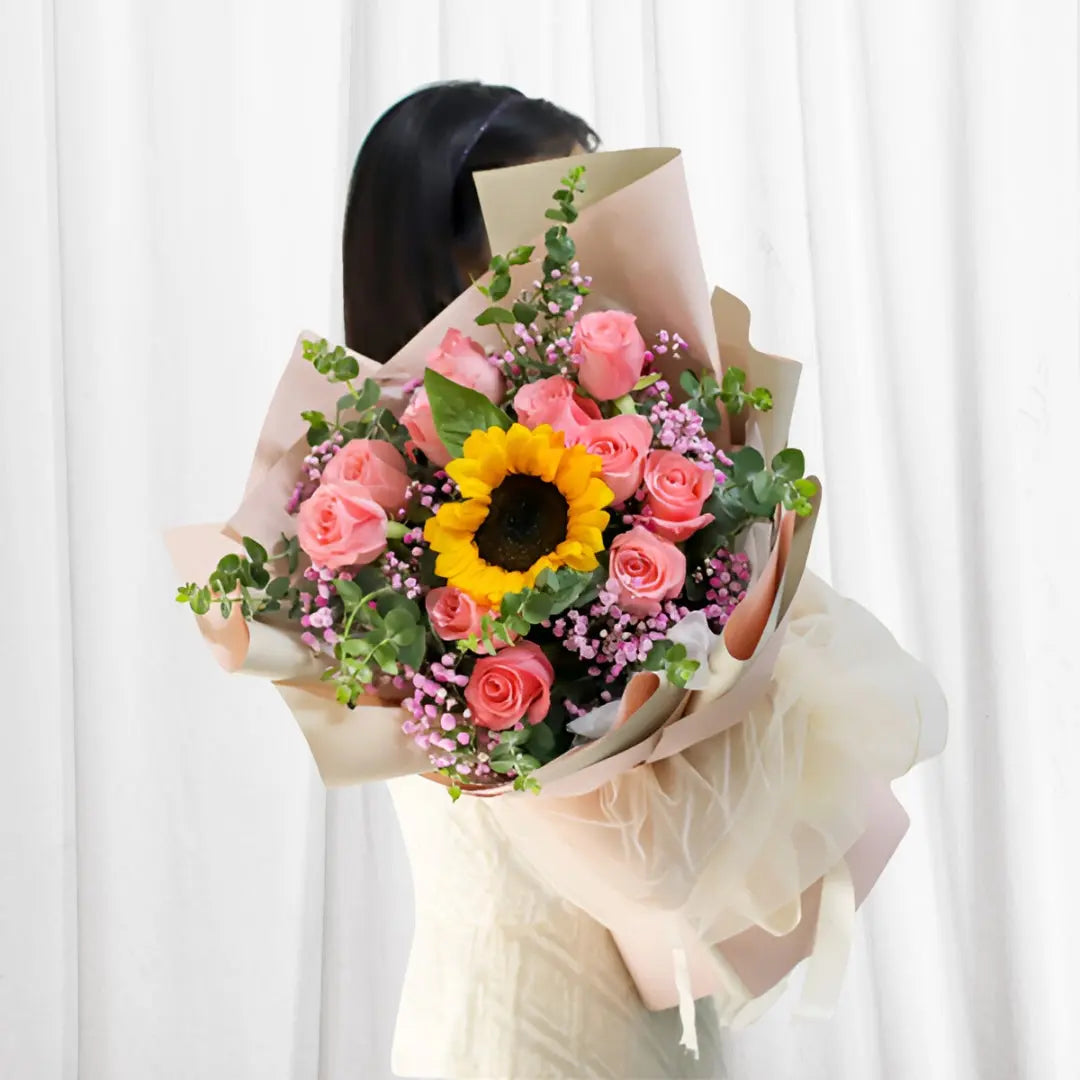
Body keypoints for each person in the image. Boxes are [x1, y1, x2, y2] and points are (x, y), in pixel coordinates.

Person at [341, 82, 722, 1079]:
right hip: (513, 1034)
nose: (582, 246)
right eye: (554, 209)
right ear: (453, 257)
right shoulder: (385, 513)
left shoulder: (602, 460)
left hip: (645, 1015)